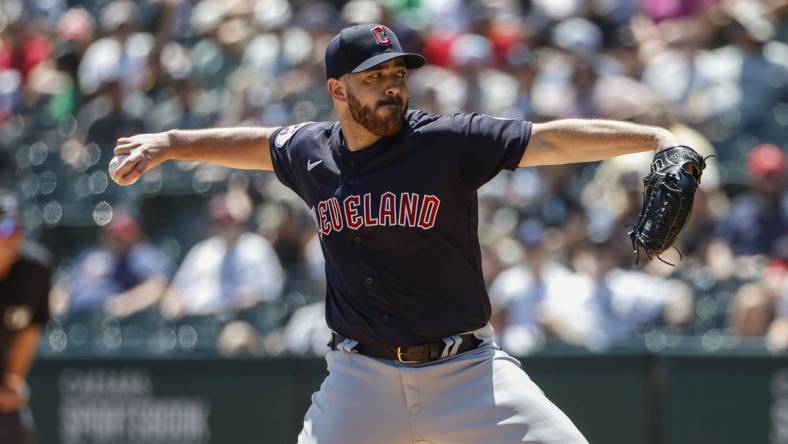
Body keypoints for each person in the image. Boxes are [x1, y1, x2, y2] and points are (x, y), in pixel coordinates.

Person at [111, 24, 685, 444]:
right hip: (360, 380)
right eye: (375, 77)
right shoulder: (311, 151)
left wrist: (653, 138)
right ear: (338, 91)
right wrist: (173, 143)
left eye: (397, 74)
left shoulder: (446, 140)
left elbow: (551, 139)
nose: (392, 86)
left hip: (466, 373)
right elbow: (255, 145)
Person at [51, 210, 171, 319]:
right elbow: (63, 286)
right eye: (109, 233)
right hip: (74, 319)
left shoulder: (142, 255)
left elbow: (157, 289)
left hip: (110, 325)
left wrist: (123, 304)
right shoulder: (90, 255)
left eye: (118, 236)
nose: (112, 239)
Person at [0, 192, 51, 444]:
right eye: (4, 228)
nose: (13, 235)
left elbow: (30, 331)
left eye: (16, 227)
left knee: (17, 428)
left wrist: (12, 381)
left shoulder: (34, 269)